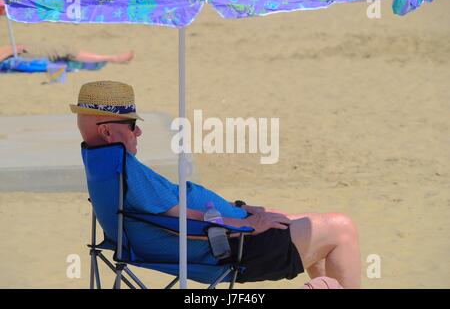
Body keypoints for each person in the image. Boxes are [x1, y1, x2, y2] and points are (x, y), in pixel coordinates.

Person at [72, 80, 362, 289]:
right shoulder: (127, 171)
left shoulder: (104, 165)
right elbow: (184, 221)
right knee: (341, 227)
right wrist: (247, 225)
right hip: (228, 248)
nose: (139, 130)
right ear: (108, 131)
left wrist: (242, 210)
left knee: (306, 226)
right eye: (132, 124)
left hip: (218, 237)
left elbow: (169, 216)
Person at [0, 44, 133, 64]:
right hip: (13, 57)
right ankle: (110, 58)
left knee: (64, 49)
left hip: (13, 51)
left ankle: (109, 58)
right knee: (65, 50)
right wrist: (12, 49)